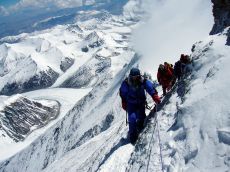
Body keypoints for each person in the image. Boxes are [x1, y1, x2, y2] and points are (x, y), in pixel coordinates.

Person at [119, 68, 161, 144]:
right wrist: (124, 102)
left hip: (140, 102)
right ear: (130, 76)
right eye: (133, 76)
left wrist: (154, 95)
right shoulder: (126, 83)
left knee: (141, 116)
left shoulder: (142, 81)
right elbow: (123, 93)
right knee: (132, 118)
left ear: (139, 75)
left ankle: (140, 124)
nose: (135, 78)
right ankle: (133, 134)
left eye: (136, 76)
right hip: (131, 104)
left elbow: (149, 87)